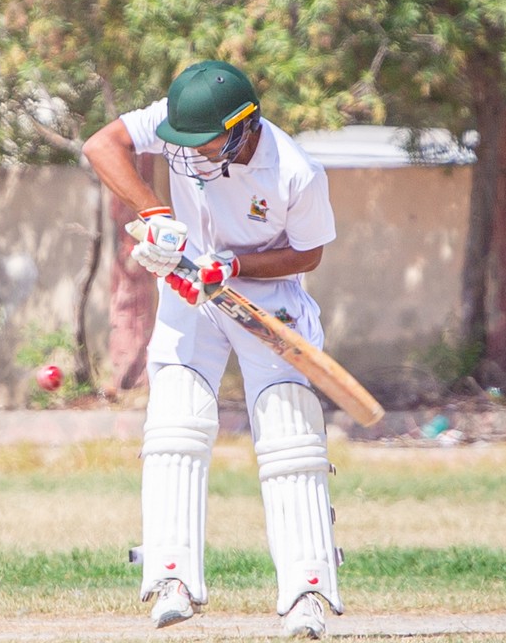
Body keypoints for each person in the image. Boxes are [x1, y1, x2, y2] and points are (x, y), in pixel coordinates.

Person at [82, 60, 343, 639]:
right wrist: (157, 216)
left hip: (266, 297)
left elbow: (308, 254)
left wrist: (235, 266)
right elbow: (101, 145)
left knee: (288, 435)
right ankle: (170, 579)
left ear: (244, 126)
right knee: (174, 424)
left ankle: (308, 592)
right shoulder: (183, 119)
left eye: (204, 144)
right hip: (190, 288)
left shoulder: (296, 172)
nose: (189, 153)